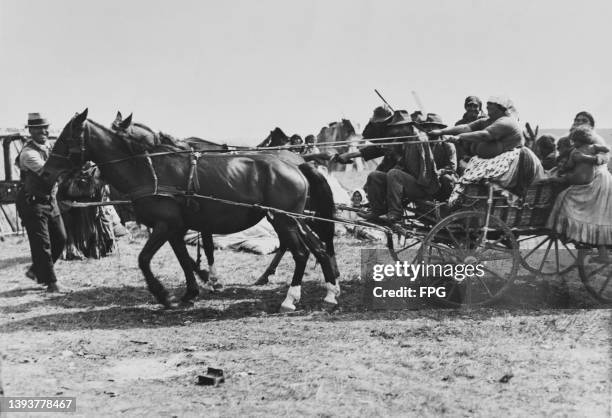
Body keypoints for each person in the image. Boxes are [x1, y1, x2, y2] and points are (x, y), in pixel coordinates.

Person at [428, 96, 544, 204]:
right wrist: (441, 132)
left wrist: (460, 137)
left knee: (482, 178)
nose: (487, 108)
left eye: (490, 107)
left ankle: (508, 198)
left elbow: (485, 135)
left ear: (499, 108)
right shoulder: (489, 120)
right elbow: (466, 127)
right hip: (496, 159)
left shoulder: (506, 122)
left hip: (513, 161)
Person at [547, 113, 612, 255]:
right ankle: (576, 236)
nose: (579, 122)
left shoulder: (595, 139)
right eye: (577, 120)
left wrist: (586, 158)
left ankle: (577, 236)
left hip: (596, 180)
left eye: (584, 120)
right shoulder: (575, 138)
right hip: (582, 177)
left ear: (591, 124)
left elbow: (605, 157)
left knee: (567, 200)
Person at [15, 113, 66, 292]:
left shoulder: (49, 147)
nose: (44, 131)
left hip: (49, 201)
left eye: (45, 127)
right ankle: (52, 283)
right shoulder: (28, 154)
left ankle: (37, 271)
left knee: (61, 239)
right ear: (30, 131)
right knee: (42, 244)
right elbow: (49, 175)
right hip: (33, 203)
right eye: (38, 128)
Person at [454, 96, 487, 172]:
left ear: (479, 108)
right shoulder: (459, 124)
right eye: (469, 105)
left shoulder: (485, 121)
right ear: (466, 107)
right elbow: (456, 144)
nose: (472, 108)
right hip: (465, 157)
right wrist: (464, 156)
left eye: (475, 106)